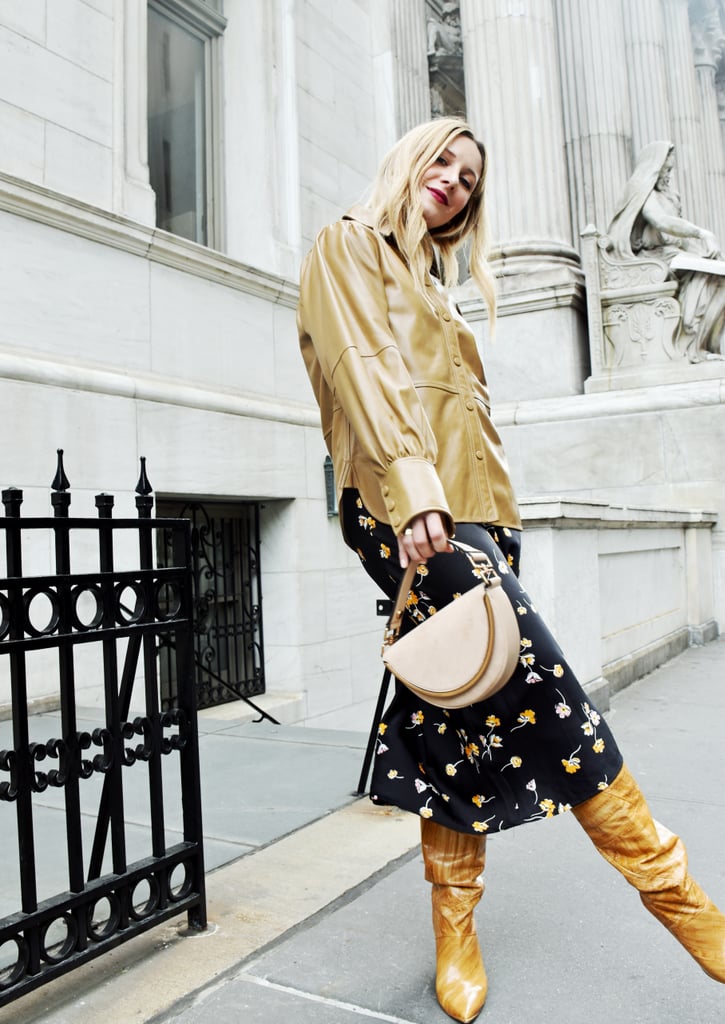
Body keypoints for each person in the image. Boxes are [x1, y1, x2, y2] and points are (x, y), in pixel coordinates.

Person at [297, 117, 725, 1023]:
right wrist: (415, 492)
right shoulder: (349, 246)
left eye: (469, 177)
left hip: (472, 517)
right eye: (441, 162)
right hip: (406, 510)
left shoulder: (435, 285)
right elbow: (362, 371)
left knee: (452, 710)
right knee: (553, 692)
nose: (453, 181)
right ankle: (686, 910)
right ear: (409, 162)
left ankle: (454, 928)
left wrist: (492, 520)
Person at [607, 140, 725, 361]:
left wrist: (705, 251)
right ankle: (688, 338)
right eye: (666, 169)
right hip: (653, 260)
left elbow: (678, 238)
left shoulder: (668, 196)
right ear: (655, 166)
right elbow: (660, 222)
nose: (669, 175)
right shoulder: (642, 190)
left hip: (672, 256)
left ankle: (703, 344)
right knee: (707, 274)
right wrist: (703, 234)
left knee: (720, 274)